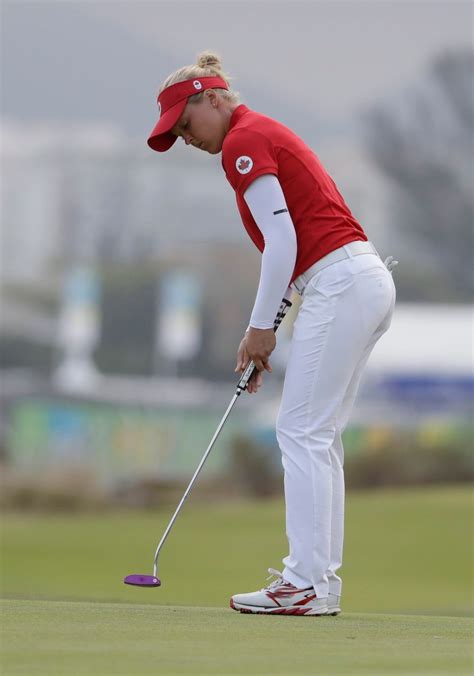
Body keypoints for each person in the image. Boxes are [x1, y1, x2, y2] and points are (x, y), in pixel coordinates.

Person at [147, 51, 397, 616]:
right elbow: (291, 248)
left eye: (185, 125)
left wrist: (261, 330)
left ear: (213, 98)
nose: (186, 138)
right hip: (359, 279)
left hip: (341, 281)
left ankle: (303, 583)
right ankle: (319, 585)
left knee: (300, 431)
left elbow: (283, 245)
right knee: (318, 434)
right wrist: (265, 329)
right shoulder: (260, 133)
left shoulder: (242, 140)